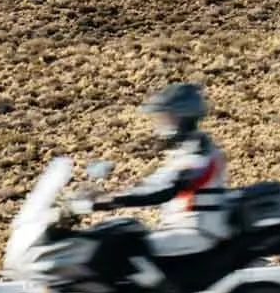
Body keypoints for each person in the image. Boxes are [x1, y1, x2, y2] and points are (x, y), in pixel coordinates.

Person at [87, 81, 230, 250]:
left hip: (199, 232)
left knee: (128, 248)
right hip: (183, 228)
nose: (161, 123)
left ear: (184, 117)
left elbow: (164, 189)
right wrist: (102, 195)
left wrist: (113, 200)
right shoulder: (186, 150)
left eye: (167, 117)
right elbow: (154, 184)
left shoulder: (199, 155)